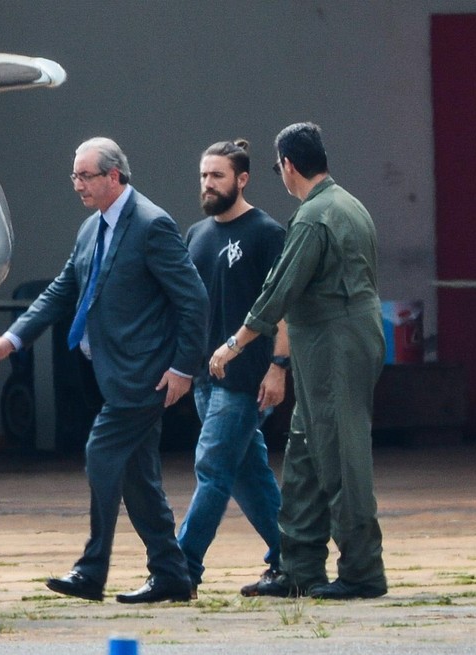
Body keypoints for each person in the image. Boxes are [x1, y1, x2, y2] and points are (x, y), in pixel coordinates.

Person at [0, 137, 209, 604]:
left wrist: (183, 367)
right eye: (74, 176)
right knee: (138, 477)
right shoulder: (91, 228)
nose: (77, 185)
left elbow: (193, 299)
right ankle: (171, 574)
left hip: (146, 375)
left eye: (85, 176)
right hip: (112, 372)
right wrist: (13, 339)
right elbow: (63, 289)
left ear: (114, 176)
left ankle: (92, 570)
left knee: (101, 452)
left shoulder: (152, 224)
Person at [210, 122, 387, 600]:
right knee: (306, 454)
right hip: (336, 345)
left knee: (341, 456)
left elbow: (279, 291)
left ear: (288, 165)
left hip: (334, 347)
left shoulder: (313, 217)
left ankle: (362, 572)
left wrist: (234, 344)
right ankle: (299, 567)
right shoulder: (348, 205)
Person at [178, 139, 288, 595]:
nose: (208, 183)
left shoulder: (266, 233)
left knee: (212, 468)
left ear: (242, 179)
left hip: (247, 379)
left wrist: (279, 365)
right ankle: (292, 560)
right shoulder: (196, 235)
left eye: (217, 175)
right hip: (206, 378)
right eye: (204, 175)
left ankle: (180, 569)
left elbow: (284, 307)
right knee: (248, 475)